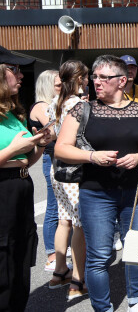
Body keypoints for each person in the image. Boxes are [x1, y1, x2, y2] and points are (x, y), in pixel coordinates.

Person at [55, 55, 138, 312]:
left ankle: (135, 301)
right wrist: (91, 156)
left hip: (136, 193)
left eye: (103, 78)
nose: (95, 82)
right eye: (94, 77)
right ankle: (103, 308)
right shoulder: (83, 109)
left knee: (135, 251)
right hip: (95, 194)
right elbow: (61, 148)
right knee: (98, 257)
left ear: (122, 81)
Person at [0, 45, 51, 311]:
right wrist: (12, 149)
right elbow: (12, 155)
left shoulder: (10, 113)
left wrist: (40, 145)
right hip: (3, 192)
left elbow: (25, 162)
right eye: (14, 70)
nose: (21, 75)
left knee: (20, 257)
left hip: (20, 186)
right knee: (4, 262)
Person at [47, 60, 90, 300]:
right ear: (80, 78)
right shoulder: (77, 104)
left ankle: (59, 271)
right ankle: (78, 278)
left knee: (64, 220)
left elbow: (53, 133)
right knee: (79, 224)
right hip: (74, 170)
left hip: (58, 170)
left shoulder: (57, 102)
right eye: (85, 76)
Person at [28, 69, 61, 272]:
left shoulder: (53, 104)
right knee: (52, 208)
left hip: (57, 156)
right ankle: (51, 254)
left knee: (61, 207)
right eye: (58, 85)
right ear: (48, 86)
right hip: (50, 157)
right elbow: (57, 130)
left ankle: (58, 250)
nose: (62, 87)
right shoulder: (41, 106)